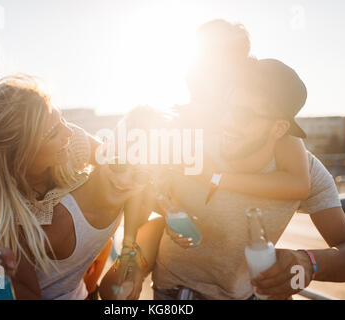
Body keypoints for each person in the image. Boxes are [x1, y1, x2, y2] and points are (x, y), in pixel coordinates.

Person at [101, 58, 345, 300]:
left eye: (244, 115)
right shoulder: (189, 150)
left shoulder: (309, 173)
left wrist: (306, 263)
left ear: (279, 128)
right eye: (228, 109)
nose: (228, 122)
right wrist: (131, 266)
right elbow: (146, 209)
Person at [107, 19, 312, 297]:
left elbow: (299, 184)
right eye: (200, 60)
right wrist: (145, 240)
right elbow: (141, 198)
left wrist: (216, 178)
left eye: (215, 64)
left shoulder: (270, 128)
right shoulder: (176, 122)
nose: (200, 73)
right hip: (175, 282)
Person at [0, 75, 147, 300]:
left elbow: (121, 167)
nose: (68, 133)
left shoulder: (72, 141)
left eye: (61, 119)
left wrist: (129, 247)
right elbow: (27, 293)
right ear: (23, 156)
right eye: (53, 133)